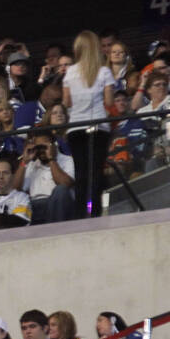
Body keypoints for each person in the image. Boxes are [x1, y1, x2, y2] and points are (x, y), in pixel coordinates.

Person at [62, 30, 115, 217]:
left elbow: (66, 102)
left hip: (76, 128)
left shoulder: (70, 72)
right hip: (98, 128)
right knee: (96, 172)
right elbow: (109, 103)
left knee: (81, 172)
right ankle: (95, 213)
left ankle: (80, 214)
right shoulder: (104, 71)